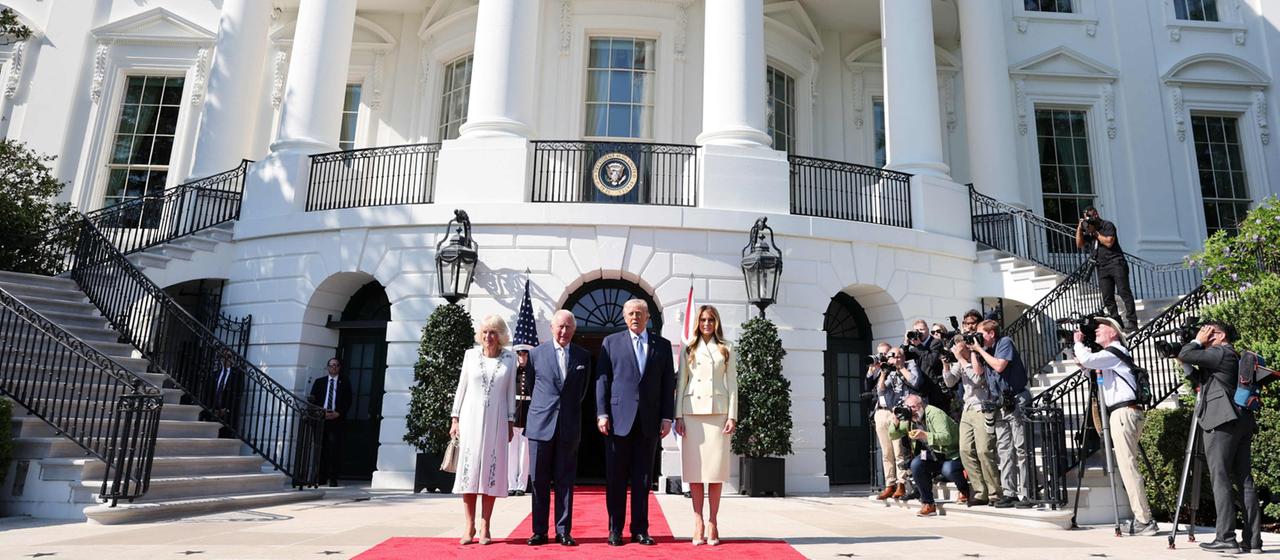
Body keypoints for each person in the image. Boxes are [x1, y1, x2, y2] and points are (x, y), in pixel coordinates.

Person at [596, 299, 675, 547]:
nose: (635, 317)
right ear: (623, 316)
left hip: (649, 421)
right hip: (618, 420)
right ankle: (615, 530)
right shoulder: (611, 343)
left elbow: (667, 385)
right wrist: (602, 413)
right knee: (616, 478)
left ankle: (640, 529)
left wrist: (666, 417)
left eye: (639, 313)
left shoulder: (661, 346)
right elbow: (602, 381)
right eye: (630, 313)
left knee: (642, 479)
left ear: (648, 317)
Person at [1178, 321, 1262, 554]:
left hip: (1221, 421)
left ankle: (1225, 537)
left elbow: (1186, 351)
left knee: (1221, 478)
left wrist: (1196, 341)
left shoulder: (1219, 351)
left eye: (1208, 330)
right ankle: (1253, 541)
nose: (1203, 333)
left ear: (1220, 335)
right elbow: (1202, 384)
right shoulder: (1229, 356)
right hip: (1240, 420)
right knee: (1245, 480)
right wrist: (1184, 363)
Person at [1071, 317, 1158, 535]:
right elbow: (1094, 373)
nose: (1097, 329)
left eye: (1102, 326)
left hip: (1123, 413)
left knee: (1128, 467)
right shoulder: (1111, 356)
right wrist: (1085, 365)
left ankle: (1144, 520)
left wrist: (1078, 343)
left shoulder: (1115, 352)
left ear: (1114, 332)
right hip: (1122, 413)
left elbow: (1088, 358)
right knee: (1128, 465)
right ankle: (1143, 518)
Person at [525, 310, 592, 547]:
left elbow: (582, 392)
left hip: (569, 427)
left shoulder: (583, 356)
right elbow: (533, 388)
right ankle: (539, 531)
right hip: (540, 427)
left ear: (574, 330)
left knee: (565, 481)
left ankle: (563, 530)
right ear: (552, 328)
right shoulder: (535, 354)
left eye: (569, 327)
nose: (564, 332)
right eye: (560, 327)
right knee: (539, 482)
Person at [449, 315, 518, 546]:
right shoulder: (470, 355)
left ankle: (486, 524)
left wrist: (510, 421)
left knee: (491, 471)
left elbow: (510, 393)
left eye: (493, 333)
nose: (489, 337)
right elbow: (462, 386)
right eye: (486, 332)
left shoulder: (510, 358)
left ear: (500, 336)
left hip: (497, 420)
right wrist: (455, 418)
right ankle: (469, 525)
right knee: (470, 472)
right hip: (470, 419)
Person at [673, 305, 738, 547]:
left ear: (716, 322)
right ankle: (698, 520)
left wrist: (733, 416)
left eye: (711, 319)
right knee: (696, 473)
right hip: (692, 414)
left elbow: (732, 384)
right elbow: (682, 382)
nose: (707, 323)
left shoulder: (727, 347)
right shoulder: (689, 347)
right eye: (703, 320)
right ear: (698, 322)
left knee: (716, 472)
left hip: (719, 414)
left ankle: (714, 521)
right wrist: (678, 415)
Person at [971, 320, 1033, 509]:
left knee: (1021, 448)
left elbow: (999, 366)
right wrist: (975, 351)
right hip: (999, 403)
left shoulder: (1005, 342)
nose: (978, 337)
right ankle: (1009, 492)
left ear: (991, 334)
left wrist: (980, 350)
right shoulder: (985, 350)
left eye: (981, 334)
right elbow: (978, 371)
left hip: (1015, 400)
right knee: (1004, 449)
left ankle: (1027, 493)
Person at [942, 334, 1000, 506]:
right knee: (965, 450)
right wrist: (946, 364)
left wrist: (962, 358)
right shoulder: (961, 362)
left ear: (967, 346)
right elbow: (950, 382)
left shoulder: (978, 357)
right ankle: (980, 492)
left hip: (982, 407)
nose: (957, 350)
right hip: (968, 409)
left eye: (959, 347)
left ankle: (995, 493)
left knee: (983, 451)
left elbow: (977, 378)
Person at [890, 394, 969, 517]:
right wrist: (895, 422)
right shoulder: (911, 418)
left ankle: (964, 489)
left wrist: (925, 435)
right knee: (916, 464)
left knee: (947, 469)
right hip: (933, 454)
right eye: (909, 408)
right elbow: (893, 435)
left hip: (951, 453)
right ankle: (928, 504)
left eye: (913, 407)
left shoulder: (934, 413)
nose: (912, 411)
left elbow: (946, 438)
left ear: (920, 405)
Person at [871, 342, 923, 500]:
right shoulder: (889, 371)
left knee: (899, 450)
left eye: (895, 356)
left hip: (898, 412)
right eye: (890, 357)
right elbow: (880, 389)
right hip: (882, 412)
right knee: (886, 452)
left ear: (902, 357)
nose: (892, 359)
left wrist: (900, 367)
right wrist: (883, 373)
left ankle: (902, 483)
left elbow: (916, 382)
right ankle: (890, 484)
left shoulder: (909, 365)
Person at [1075, 206, 1137, 331]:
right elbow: (1079, 244)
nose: (1090, 223)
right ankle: (1117, 323)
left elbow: (1109, 242)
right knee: (1107, 297)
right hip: (1102, 267)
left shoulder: (1107, 225)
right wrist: (1080, 227)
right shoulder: (1089, 230)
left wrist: (1095, 232)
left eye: (1091, 218)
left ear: (1096, 215)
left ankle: (1132, 322)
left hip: (1116, 263)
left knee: (1124, 292)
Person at [308, 357, 352, 488]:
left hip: (336, 420)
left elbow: (348, 401)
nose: (334, 367)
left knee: (333, 450)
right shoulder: (319, 382)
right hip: (321, 419)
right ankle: (320, 477)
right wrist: (321, 413)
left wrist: (339, 413)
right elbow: (313, 400)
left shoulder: (345, 383)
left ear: (339, 368)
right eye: (332, 365)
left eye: (337, 365)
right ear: (327, 367)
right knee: (320, 449)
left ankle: (333, 478)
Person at [508, 349, 532, 497]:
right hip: (513, 415)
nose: (522, 358)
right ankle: (511, 484)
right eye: (520, 355)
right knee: (511, 452)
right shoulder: (512, 372)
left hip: (528, 416)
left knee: (525, 453)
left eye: (525, 355)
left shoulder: (532, 373)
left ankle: (522, 486)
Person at [207, 347, 243, 439]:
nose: (226, 358)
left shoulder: (237, 375)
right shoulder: (215, 374)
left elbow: (238, 394)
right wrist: (212, 409)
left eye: (229, 356)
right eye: (224, 356)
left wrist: (226, 409)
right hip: (213, 413)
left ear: (232, 359)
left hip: (227, 415)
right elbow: (209, 392)